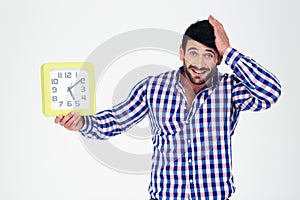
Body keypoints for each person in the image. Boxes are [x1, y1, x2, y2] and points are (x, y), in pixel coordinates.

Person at [55, 15, 281, 200]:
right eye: (193, 53)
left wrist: (230, 51)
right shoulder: (153, 87)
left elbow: (271, 92)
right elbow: (115, 120)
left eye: (209, 55)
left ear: (219, 59)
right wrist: (82, 123)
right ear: (181, 53)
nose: (200, 64)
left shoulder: (230, 90)